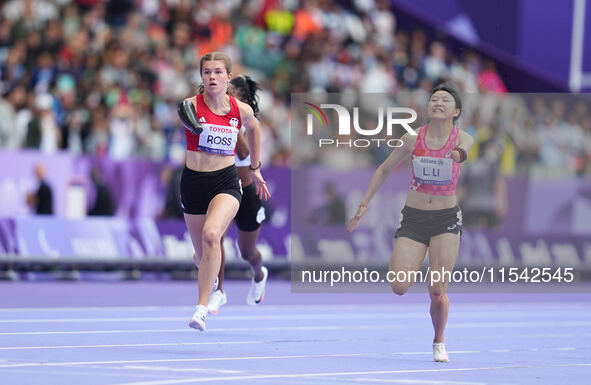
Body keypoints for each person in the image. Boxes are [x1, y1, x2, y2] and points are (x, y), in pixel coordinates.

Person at [349, 84, 474, 362]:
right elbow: (384, 169)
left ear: (456, 111)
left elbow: (465, 150)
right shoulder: (412, 138)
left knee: (437, 291)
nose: (438, 103)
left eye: (445, 100)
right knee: (399, 286)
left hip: (446, 219)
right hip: (415, 218)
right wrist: (363, 204)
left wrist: (455, 155)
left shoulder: (462, 137)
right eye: (434, 99)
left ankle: (439, 339)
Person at [178, 52, 271, 331]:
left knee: (216, 238)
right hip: (194, 183)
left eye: (218, 72)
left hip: (229, 184)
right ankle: (215, 284)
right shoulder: (189, 105)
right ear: (201, 77)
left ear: (227, 77)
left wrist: (256, 168)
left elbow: (254, 131)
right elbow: (188, 118)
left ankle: (202, 308)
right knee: (202, 255)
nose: (212, 77)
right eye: (207, 72)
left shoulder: (240, 111)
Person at [207, 75, 269, 314]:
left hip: (246, 194)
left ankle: (259, 274)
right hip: (222, 190)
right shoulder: (215, 115)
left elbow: (245, 153)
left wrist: (229, 124)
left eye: (231, 93)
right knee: (216, 238)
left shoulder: (247, 122)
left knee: (247, 252)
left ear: (242, 99)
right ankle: (219, 291)